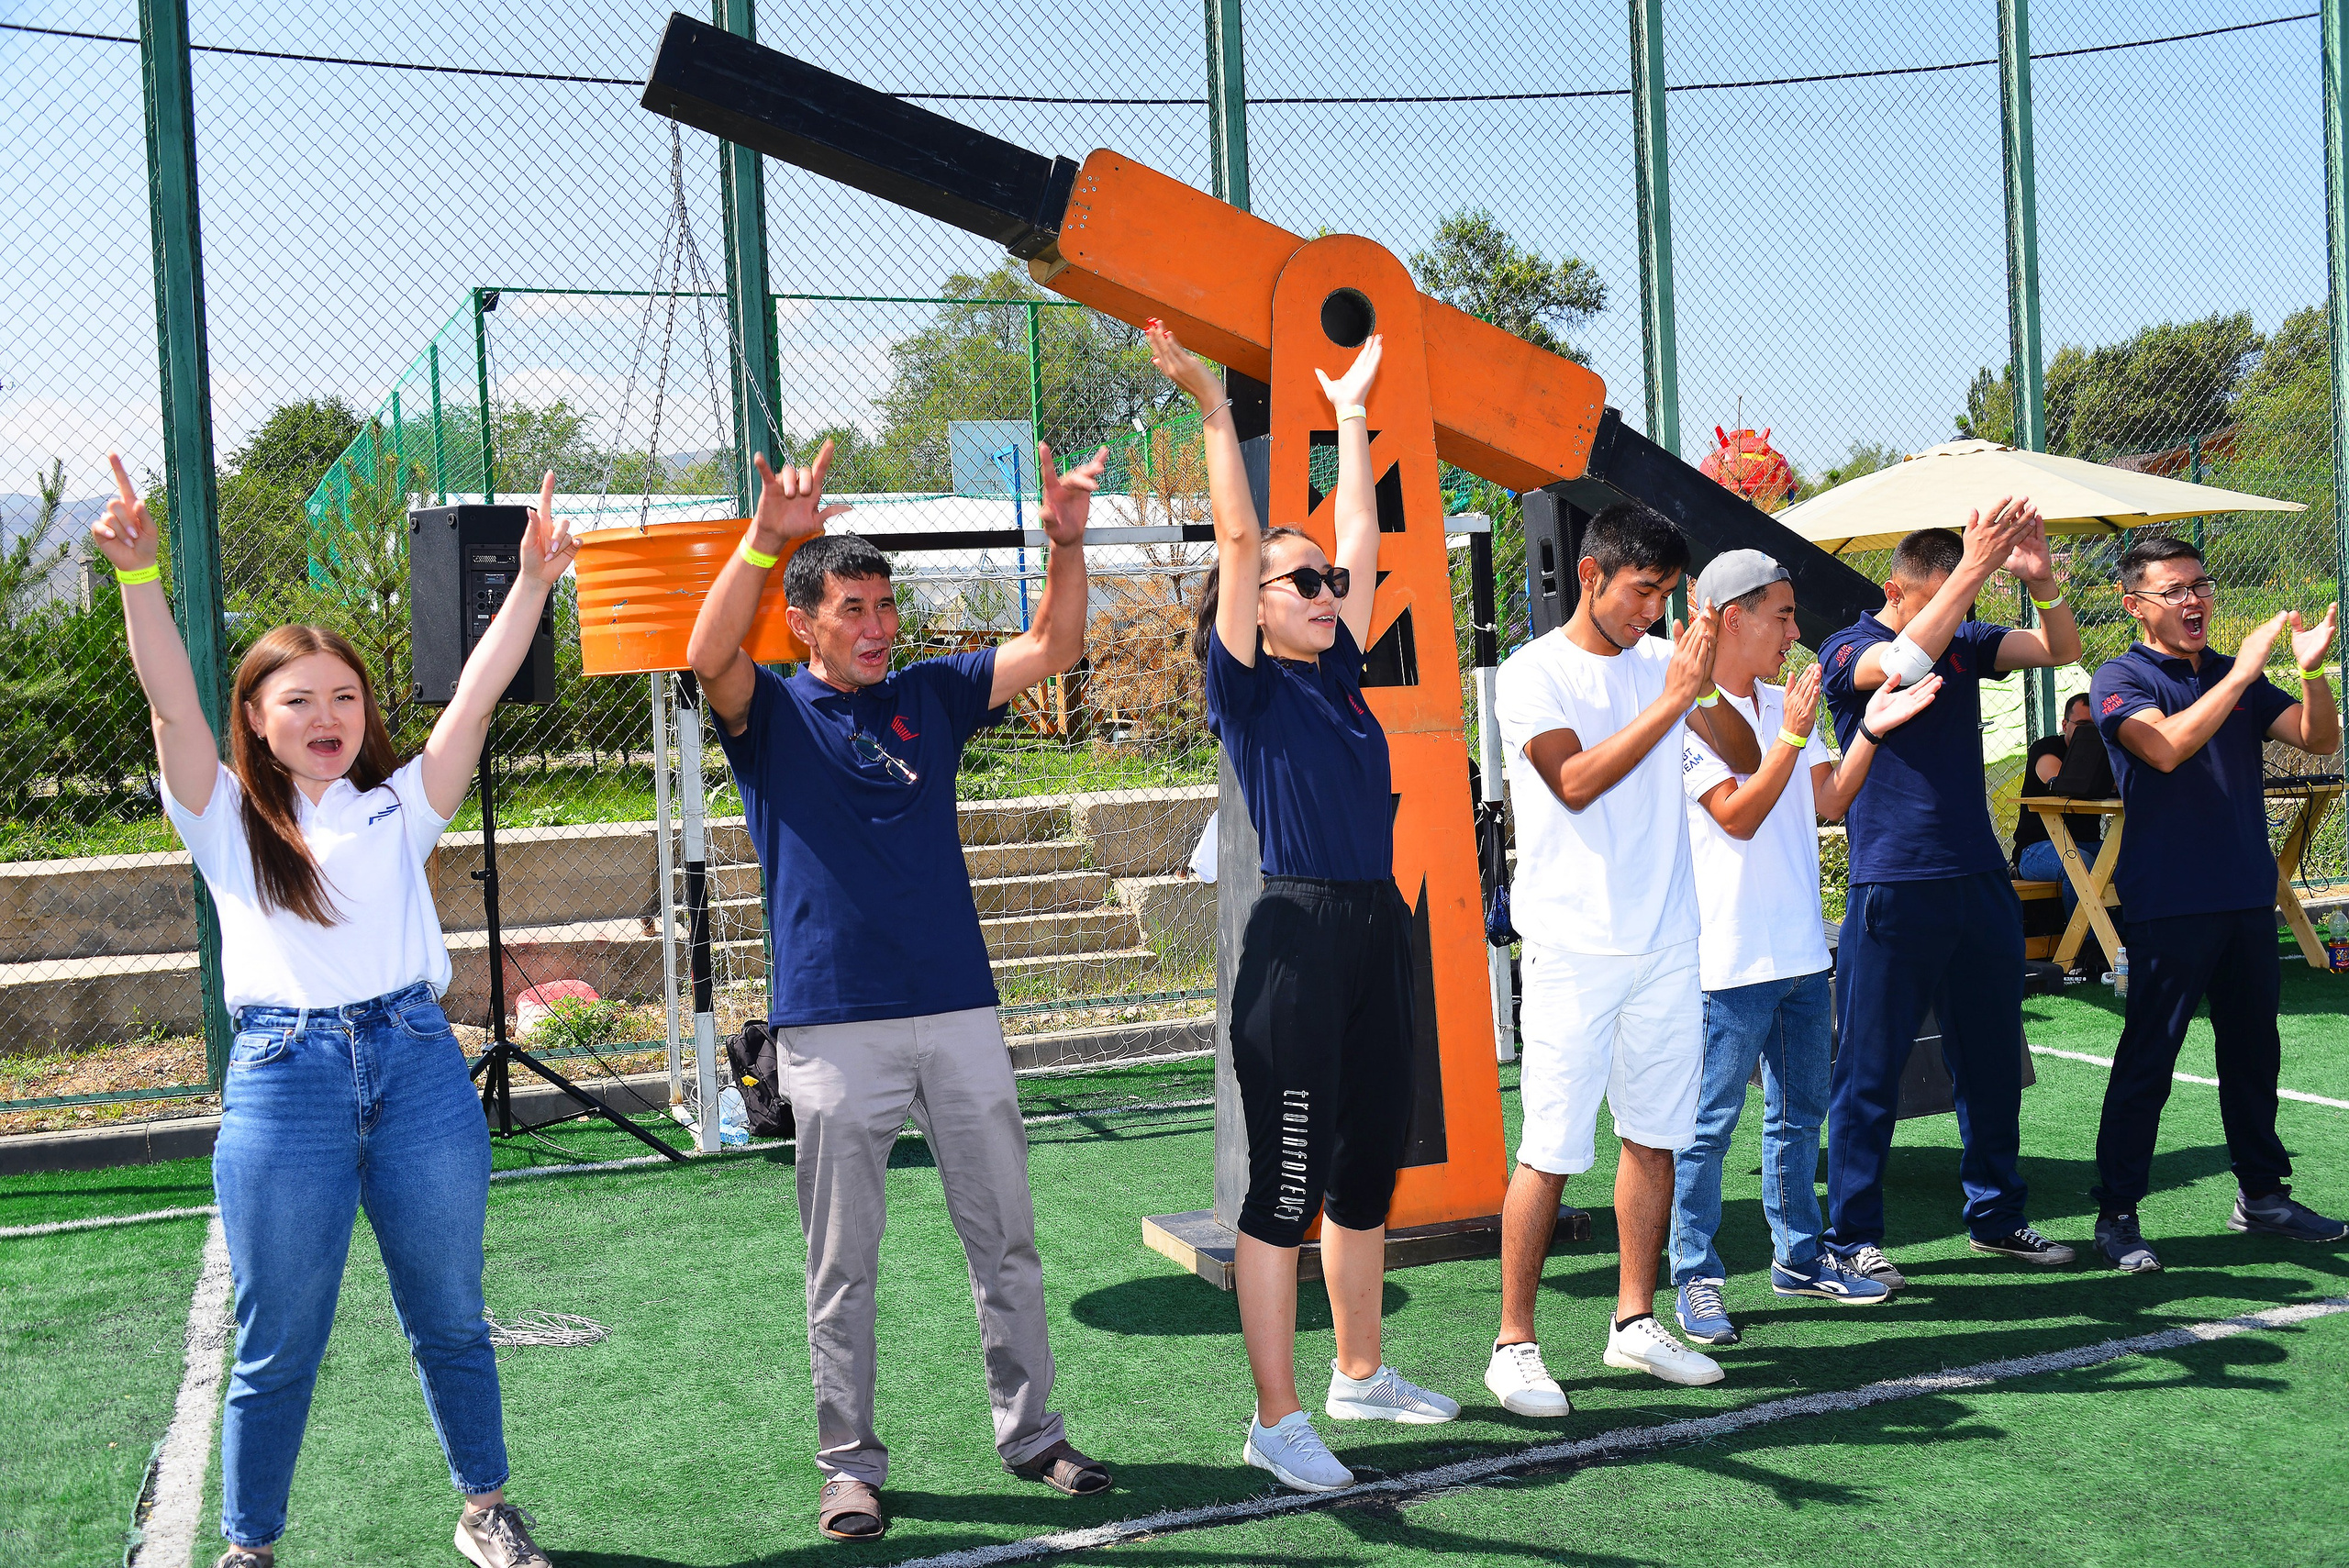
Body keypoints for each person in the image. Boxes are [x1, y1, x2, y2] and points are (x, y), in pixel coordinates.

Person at [93, 455, 567, 1568]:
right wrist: (141, 576)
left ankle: (485, 1508)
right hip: (282, 1079)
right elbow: (169, 697)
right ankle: (250, 1546)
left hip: (416, 1068)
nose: (327, 713)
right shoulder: (220, 816)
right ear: (254, 721)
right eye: (297, 698)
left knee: (450, 1311)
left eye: (345, 695)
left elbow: (478, 692)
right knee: (279, 1339)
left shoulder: (402, 807)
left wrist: (534, 585)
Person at [685, 438, 1113, 1540]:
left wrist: (1065, 542)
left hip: (958, 1011)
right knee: (843, 1265)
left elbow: (1057, 641)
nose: (879, 625)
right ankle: (849, 1466)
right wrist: (768, 535)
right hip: (830, 1027)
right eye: (855, 607)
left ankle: (1033, 1434)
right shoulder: (770, 715)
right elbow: (705, 647)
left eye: (885, 604)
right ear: (807, 623)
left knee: (1005, 1237)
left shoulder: (934, 693)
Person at [1141, 318, 1459, 1495]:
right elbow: (1236, 537)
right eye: (1304, 581)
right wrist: (1217, 410)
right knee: (1282, 1189)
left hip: (1376, 926)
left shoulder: (1331, 668)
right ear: (1257, 604)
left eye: (1330, 580)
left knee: (1368, 1168)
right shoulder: (1247, 684)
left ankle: (1358, 1370)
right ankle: (1275, 1418)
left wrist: (1357, 410)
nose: (1330, 589)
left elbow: (1367, 539)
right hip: (1296, 940)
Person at [1666, 550, 1943, 1346]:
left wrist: (1871, 733)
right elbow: (1740, 814)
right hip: (1726, 960)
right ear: (1732, 617)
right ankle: (1696, 1275)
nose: (1796, 630)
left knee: (1798, 1119)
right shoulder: (1691, 708)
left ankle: (1797, 1257)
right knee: (1708, 1127)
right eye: (1783, 614)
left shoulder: (1789, 701)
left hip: (1797, 952)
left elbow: (1825, 802)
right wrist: (1790, 733)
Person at [1486, 500, 1726, 1413]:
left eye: (1667, 596)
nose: (1651, 612)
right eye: (1641, 591)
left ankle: (1634, 1320)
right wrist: (1675, 693)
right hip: (1571, 947)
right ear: (1589, 575)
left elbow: (1738, 749)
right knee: (1549, 1147)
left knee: (1655, 1133)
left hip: (1666, 942)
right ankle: (1513, 1340)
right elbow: (1574, 781)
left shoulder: (1669, 660)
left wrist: (1707, 662)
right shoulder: (1531, 674)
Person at [1816, 505, 2084, 1287]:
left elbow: (2060, 648)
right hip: (1893, 886)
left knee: (1993, 1061)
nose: (1959, 613)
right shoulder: (1846, 647)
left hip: (1978, 880)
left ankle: (1996, 1217)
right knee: (1871, 1069)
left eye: (1962, 600)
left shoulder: (1964, 635)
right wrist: (1973, 567)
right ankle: (1850, 1236)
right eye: (1944, 597)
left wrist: (2038, 582)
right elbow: (1896, 665)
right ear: (1898, 589)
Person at [2086, 536, 2343, 1273]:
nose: (2196, 599)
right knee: (2150, 1059)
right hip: (2170, 901)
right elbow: (2164, 747)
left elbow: (2319, 738)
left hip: (2243, 896)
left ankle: (2262, 1196)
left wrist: (2313, 670)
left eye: (2201, 584)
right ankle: (2119, 1213)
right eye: (2176, 590)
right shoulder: (2120, 676)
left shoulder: (2233, 674)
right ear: (2136, 604)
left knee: (2254, 1051)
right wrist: (2247, 675)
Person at [2011, 692, 2114, 926]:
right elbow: (2060, 781)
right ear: (2065, 725)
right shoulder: (2047, 747)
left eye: (2096, 725)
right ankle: (2087, 948)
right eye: (2083, 725)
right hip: (2036, 848)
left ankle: (2124, 945)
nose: (2091, 731)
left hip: (2088, 843)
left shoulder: (2107, 749)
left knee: (2133, 862)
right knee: (2082, 863)